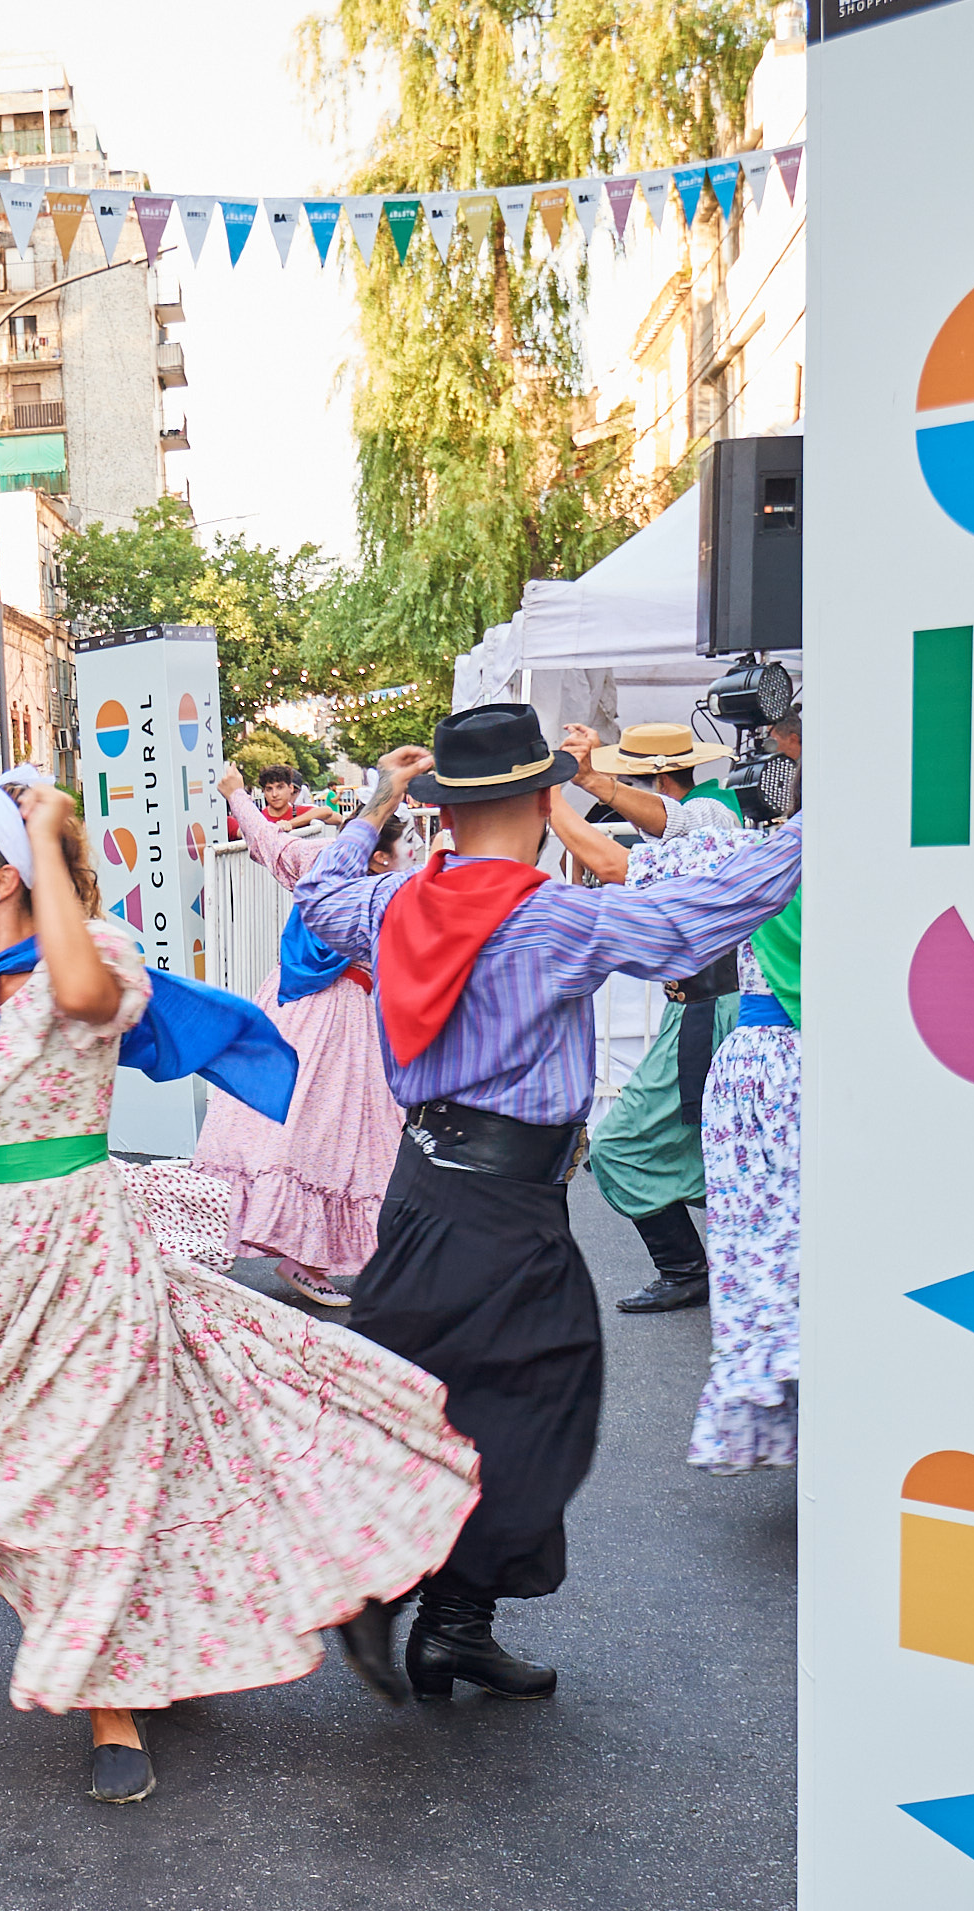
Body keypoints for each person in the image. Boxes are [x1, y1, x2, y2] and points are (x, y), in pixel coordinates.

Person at [0, 770, 480, 1804]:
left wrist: (55, 834)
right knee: (52, 1463)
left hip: (83, 1247)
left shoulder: (97, 959)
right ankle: (166, 1634)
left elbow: (76, 993)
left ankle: (109, 1699)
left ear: (13, 875)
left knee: (90, 1463)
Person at [295, 705, 801, 1702]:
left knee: (430, 1404)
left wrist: (371, 805)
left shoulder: (397, 904)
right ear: (539, 798)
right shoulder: (550, 918)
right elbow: (687, 920)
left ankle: (440, 1619)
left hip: (423, 1191)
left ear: (441, 811)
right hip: (507, 1206)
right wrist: (809, 836)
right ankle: (398, 1593)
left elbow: (318, 894)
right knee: (538, 1408)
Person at [612, 704, 808, 1470]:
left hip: (753, 1033)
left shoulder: (730, 825)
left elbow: (630, 855)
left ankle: (687, 1269)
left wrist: (567, 789)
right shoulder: (752, 827)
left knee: (658, 1148)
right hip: (756, 1029)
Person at [186, 767, 405, 1310]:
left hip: (289, 1004)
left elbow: (265, 840)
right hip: (341, 1014)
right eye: (406, 849)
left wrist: (235, 791)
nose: (412, 858)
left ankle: (313, 1250)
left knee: (298, 1123)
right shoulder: (385, 893)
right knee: (331, 1127)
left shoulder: (320, 865)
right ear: (378, 856)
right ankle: (305, 1257)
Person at [569, 724, 746, 1314]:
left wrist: (585, 786)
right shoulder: (701, 817)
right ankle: (708, 1263)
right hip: (702, 1006)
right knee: (706, 1144)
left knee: (622, 1145)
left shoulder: (714, 814)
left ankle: (691, 1267)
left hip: (717, 1008)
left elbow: (649, 844)